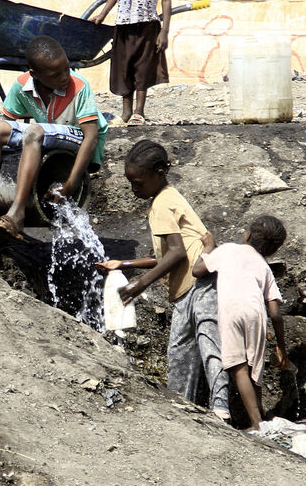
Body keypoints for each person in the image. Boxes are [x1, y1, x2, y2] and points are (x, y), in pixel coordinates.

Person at [96, 140, 227, 419]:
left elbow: (178, 254)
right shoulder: (168, 198)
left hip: (198, 286)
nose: (134, 190)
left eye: (138, 183)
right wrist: (125, 264)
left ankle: (219, 410)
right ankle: (188, 411)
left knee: (205, 347)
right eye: (130, 183)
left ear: (159, 172)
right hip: (192, 287)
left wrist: (140, 283)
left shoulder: (162, 204)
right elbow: (168, 255)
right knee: (186, 353)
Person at [0, 36, 107, 240]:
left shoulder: (79, 86)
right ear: (34, 74)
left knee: (34, 131)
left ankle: (17, 213)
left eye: (66, 68)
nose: (64, 77)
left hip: (78, 139)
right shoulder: (22, 86)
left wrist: (70, 184)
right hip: (47, 135)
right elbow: (5, 132)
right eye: (55, 74)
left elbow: (91, 137)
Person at [192, 216, 289, 431]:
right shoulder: (264, 267)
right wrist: (281, 347)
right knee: (255, 367)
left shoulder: (227, 250)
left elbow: (197, 271)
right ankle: (259, 415)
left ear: (247, 235)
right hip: (257, 312)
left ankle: (255, 423)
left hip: (232, 308)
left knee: (239, 368)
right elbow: (275, 312)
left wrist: (208, 247)